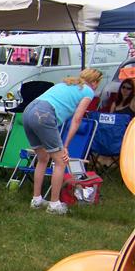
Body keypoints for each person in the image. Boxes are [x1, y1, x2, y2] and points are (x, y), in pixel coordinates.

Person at [22, 68, 103, 215]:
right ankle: (54, 204)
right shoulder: (88, 91)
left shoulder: (66, 83)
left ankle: (37, 199)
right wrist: (65, 145)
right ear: (95, 82)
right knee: (60, 162)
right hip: (43, 115)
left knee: (43, 158)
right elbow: (77, 119)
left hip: (28, 112)